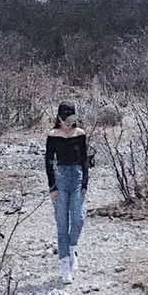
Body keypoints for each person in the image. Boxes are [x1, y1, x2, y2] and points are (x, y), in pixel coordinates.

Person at [45, 100, 89, 284]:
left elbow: (85, 160)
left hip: (77, 177)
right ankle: (65, 265)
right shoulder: (53, 135)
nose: (66, 122)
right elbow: (48, 161)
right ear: (59, 118)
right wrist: (52, 187)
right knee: (62, 223)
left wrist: (85, 183)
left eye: (69, 118)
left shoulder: (80, 134)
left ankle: (72, 249)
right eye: (63, 118)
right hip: (60, 178)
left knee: (78, 218)